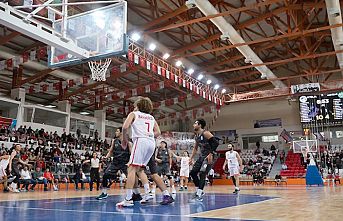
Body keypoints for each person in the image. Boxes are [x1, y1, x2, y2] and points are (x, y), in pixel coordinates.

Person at [116, 97, 161, 207]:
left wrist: (125, 140)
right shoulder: (151, 117)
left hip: (141, 141)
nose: (134, 107)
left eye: (135, 105)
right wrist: (148, 135)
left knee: (131, 168)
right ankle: (146, 193)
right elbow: (158, 132)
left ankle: (128, 199)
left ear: (139, 106)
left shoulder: (134, 114)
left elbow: (125, 126)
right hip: (151, 143)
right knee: (140, 169)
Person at [96, 127, 131, 200]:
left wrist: (130, 162)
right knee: (105, 175)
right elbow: (111, 151)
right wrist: (106, 157)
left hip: (125, 163)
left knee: (132, 178)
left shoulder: (128, 142)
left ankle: (134, 194)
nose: (116, 132)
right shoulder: (114, 141)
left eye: (117, 131)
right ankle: (104, 193)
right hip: (115, 162)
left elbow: (132, 153)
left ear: (121, 133)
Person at [189, 118, 219, 202]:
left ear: (199, 125)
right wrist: (191, 158)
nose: (193, 125)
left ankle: (198, 194)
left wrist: (211, 154)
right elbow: (195, 148)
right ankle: (200, 191)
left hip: (209, 156)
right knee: (193, 173)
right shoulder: (197, 136)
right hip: (202, 156)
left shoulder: (206, 133)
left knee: (202, 173)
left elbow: (216, 143)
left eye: (195, 123)